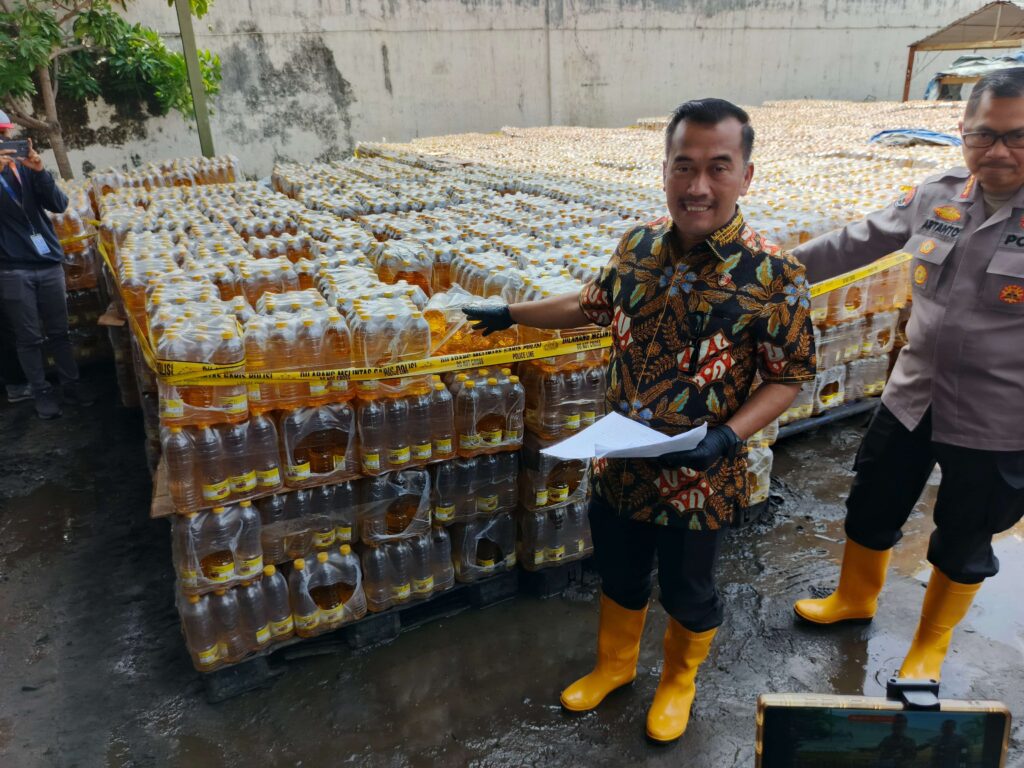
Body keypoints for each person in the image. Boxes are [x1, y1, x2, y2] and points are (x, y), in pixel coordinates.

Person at [464, 98, 816, 742]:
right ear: (665, 170)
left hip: (698, 474)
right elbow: (591, 304)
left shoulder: (774, 274)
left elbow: (787, 376)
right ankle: (615, 666)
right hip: (621, 461)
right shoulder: (639, 245)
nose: (698, 185)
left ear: (745, 175)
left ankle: (678, 681)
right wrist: (511, 314)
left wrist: (727, 436)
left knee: (688, 589)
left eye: (717, 167)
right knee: (620, 573)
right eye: (684, 166)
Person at [792, 68, 1024, 683]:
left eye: (1018, 136)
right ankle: (854, 598)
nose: (998, 151)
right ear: (963, 131)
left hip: (1000, 416)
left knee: (966, 533)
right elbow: (855, 242)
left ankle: (929, 645)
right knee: (873, 498)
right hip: (912, 396)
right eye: (984, 134)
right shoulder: (938, 195)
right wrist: (771, 272)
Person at [0, 109, 93, 418]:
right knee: (28, 337)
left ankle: (71, 386)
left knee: (59, 332)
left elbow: (59, 204)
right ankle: (41, 393)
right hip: (12, 268)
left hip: (48, 262)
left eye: (5, 134)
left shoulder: (25, 168)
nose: (4, 141)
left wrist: (40, 171)